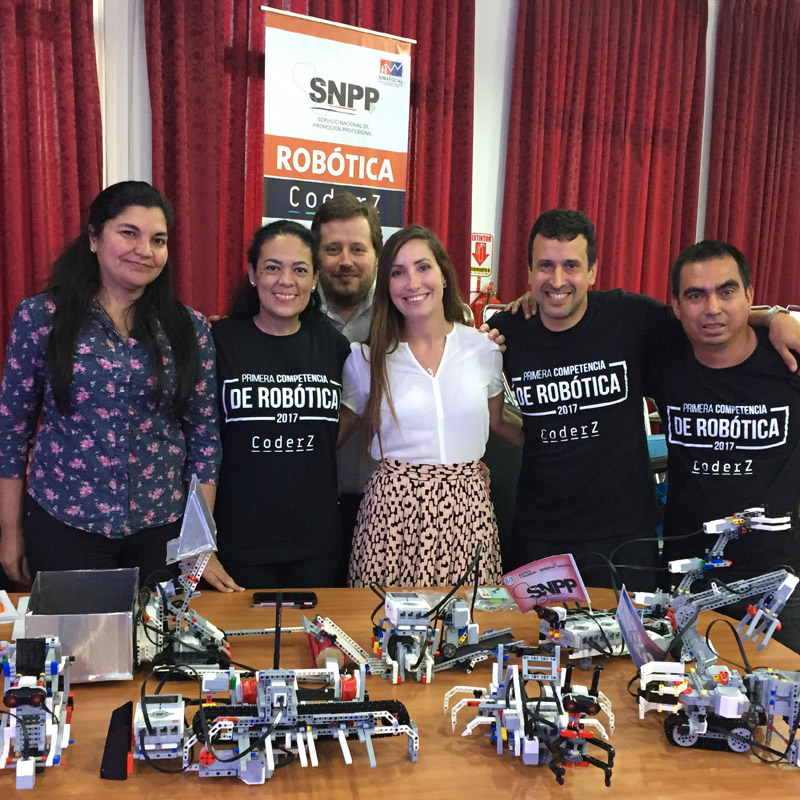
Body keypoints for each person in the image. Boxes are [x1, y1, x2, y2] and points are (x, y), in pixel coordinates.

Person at [492, 209, 800, 591]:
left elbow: (705, 317)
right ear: (529, 271)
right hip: (539, 532)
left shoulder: (631, 316)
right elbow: (491, 413)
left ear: (592, 271)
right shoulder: (507, 330)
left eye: (571, 265)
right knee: (538, 630)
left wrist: (773, 317)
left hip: (627, 536)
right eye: (545, 266)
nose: (557, 280)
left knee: (631, 633)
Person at [0, 181, 221, 587]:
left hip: (162, 528)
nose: (145, 250)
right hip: (65, 524)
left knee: (159, 631)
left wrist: (198, 541)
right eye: (128, 233)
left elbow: (204, 438)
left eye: (158, 240)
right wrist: (10, 531)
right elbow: (11, 433)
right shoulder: (41, 317)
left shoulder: (189, 327)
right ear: (93, 238)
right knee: (77, 631)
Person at [340, 225, 523, 587]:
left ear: (443, 274)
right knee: (382, 617)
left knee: (467, 617)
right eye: (398, 272)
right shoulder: (366, 359)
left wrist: (562, 447)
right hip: (391, 516)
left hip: (466, 511)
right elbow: (330, 435)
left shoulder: (483, 349)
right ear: (386, 285)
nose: (412, 282)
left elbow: (499, 421)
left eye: (423, 267)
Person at [647, 241, 800, 649]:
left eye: (726, 291)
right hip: (686, 578)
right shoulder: (663, 360)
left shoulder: (789, 360)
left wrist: (777, 316)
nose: (712, 307)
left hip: (778, 584)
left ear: (749, 295)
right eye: (696, 295)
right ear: (677, 306)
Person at [206, 220, 350, 590]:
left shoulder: (334, 346)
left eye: (299, 270)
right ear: (253, 274)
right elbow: (198, 443)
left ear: (314, 279)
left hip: (316, 542)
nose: (286, 280)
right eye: (272, 267)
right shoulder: (218, 341)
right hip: (237, 542)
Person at [310, 193, 381, 584]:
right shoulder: (289, 309)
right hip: (312, 502)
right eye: (332, 249)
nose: (346, 261)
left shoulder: (404, 310)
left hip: (386, 506)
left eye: (358, 249)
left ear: (377, 255)